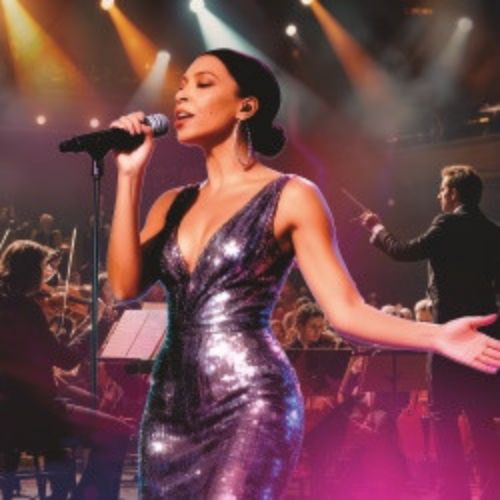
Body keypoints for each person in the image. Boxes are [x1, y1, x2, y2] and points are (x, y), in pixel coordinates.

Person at [107, 49, 500, 499]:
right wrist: (129, 176)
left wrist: (437, 336)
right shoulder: (170, 204)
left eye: (203, 83)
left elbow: (346, 312)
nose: (182, 95)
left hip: (251, 401)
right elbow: (123, 286)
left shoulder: (291, 195)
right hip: (169, 408)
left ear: (246, 106)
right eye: (181, 86)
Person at [360, 165, 500, 500]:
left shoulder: (447, 224)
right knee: (482, 418)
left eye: (442, 189)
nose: (439, 195)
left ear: (453, 193)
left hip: (450, 335)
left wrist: (377, 228)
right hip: (485, 335)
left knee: (443, 414)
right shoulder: (494, 232)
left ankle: (454, 492)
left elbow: (403, 251)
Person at [0, 240, 131, 500]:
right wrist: (98, 325)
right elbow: (67, 360)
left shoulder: (9, 304)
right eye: (43, 269)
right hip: (34, 416)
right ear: (31, 272)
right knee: (118, 432)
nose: (47, 276)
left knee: (92, 404)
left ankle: (66, 487)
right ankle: (87, 496)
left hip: (10, 412)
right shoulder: (25, 308)